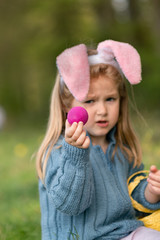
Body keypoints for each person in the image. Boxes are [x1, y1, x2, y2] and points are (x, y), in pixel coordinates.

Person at [36, 40, 160, 240]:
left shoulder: (121, 150)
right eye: (89, 101)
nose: (102, 111)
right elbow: (71, 204)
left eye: (110, 99)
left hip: (125, 232)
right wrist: (75, 153)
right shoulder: (58, 151)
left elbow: (133, 195)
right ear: (66, 105)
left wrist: (151, 192)